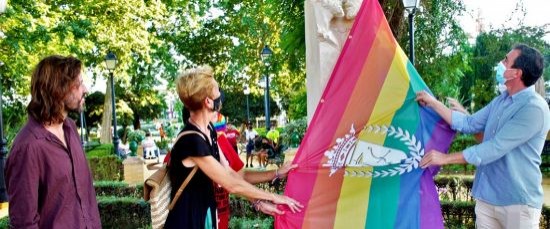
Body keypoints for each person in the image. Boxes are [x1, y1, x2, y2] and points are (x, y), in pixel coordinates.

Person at [416, 44, 549, 228]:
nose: (501, 63)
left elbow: (494, 148)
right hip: (487, 199)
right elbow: (469, 123)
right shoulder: (501, 100)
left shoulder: (535, 109)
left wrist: (445, 158)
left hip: (517, 203)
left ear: (516, 73)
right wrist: (433, 103)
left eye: (506, 60)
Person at [165, 65, 302, 228]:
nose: (221, 98)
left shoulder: (208, 131)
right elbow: (230, 183)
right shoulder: (192, 140)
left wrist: (259, 200)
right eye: (218, 92)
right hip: (187, 221)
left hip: (203, 215)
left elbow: (230, 173)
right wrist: (275, 197)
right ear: (209, 102)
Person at [5, 55, 101, 228]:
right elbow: (24, 223)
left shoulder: (70, 128)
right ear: (58, 89)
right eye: (78, 84)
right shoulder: (28, 147)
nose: (85, 89)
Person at [212, 114, 297, 229]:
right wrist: (271, 197)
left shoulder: (220, 140)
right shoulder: (194, 143)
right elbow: (232, 183)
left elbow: (240, 176)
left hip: (220, 220)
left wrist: (276, 173)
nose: (218, 116)